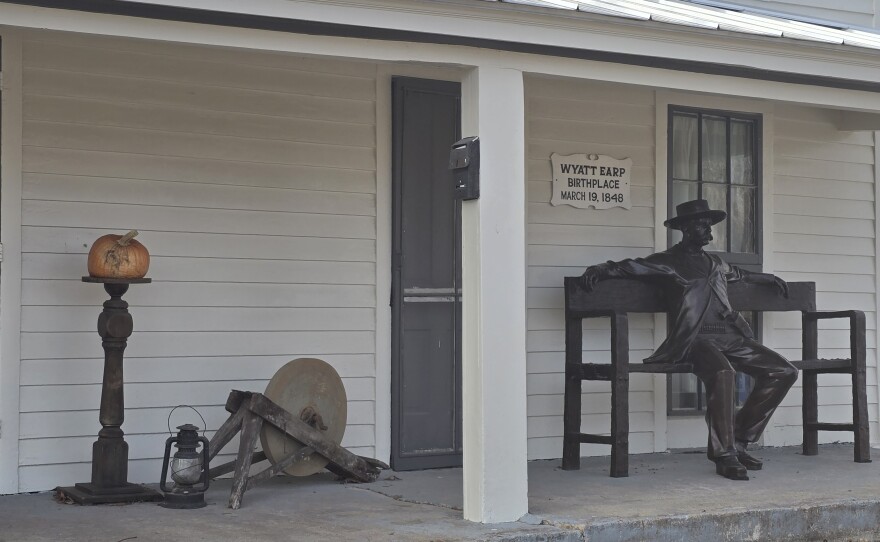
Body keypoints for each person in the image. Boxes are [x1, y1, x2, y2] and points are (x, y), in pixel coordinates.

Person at [580, 199, 798, 481]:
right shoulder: (668, 261)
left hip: (731, 336)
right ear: (683, 227)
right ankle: (724, 454)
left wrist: (768, 278)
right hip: (695, 340)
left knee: (783, 371)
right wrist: (600, 268)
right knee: (723, 373)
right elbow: (630, 267)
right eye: (700, 224)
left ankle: (740, 439)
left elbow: (741, 274)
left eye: (709, 224)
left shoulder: (716, 263)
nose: (707, 229)